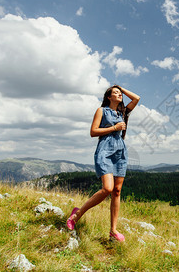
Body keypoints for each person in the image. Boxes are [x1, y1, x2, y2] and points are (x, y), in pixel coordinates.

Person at [66, 85, 140, 242]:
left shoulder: (123, 113)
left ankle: (113, 231)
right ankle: (76, 215)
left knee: (117, 191)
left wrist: (120, 87)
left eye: (120, 93)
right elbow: (93, 132)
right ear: (108, 97)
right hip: (105, 150)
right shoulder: (101, 111)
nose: (119, 95)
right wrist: (115, 127)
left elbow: (136, 98)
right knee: (107, 188)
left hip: (120, 152)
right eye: (115, 93)